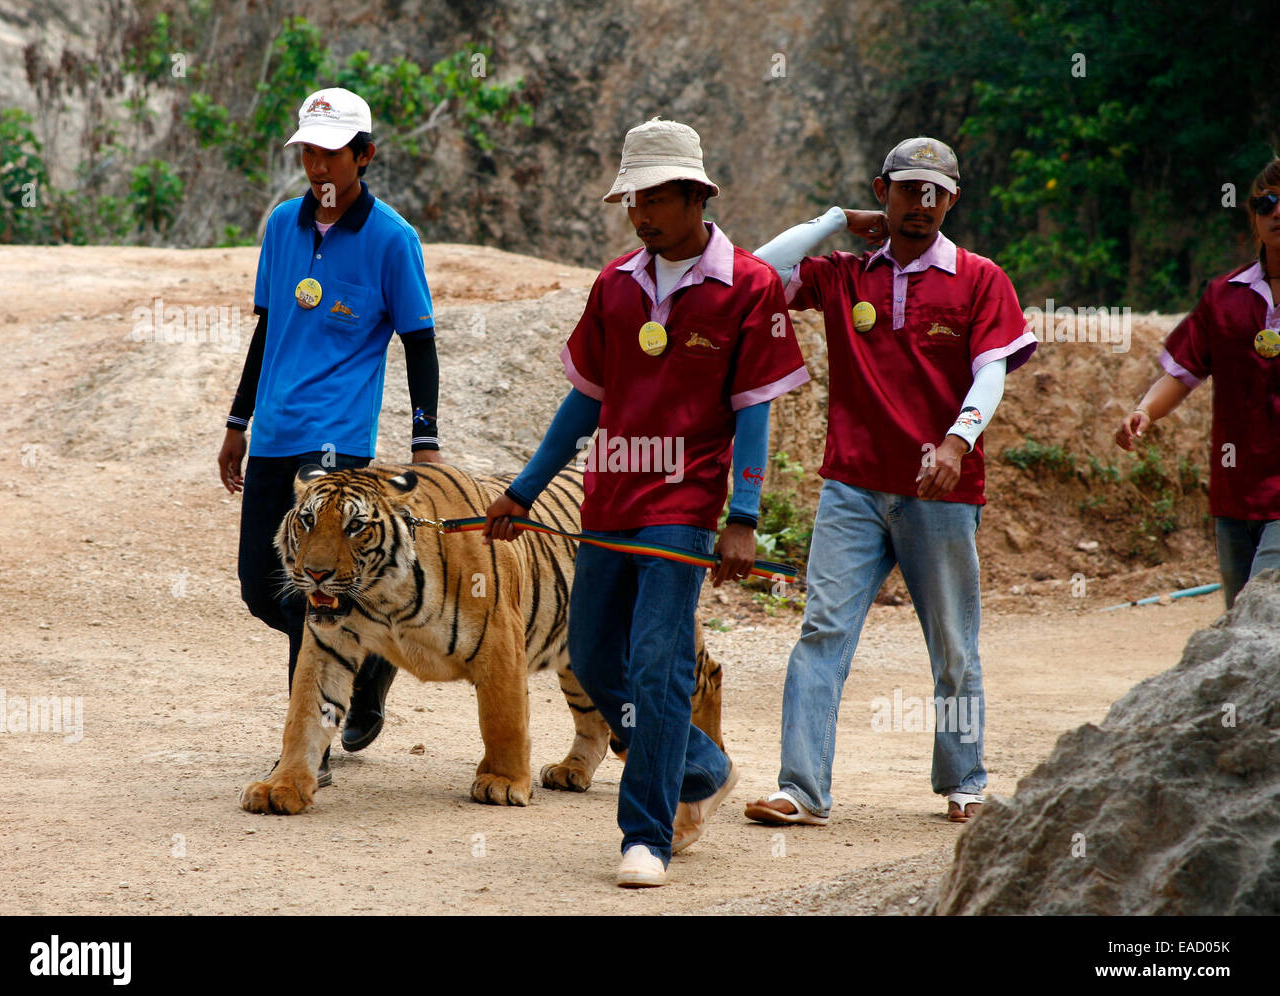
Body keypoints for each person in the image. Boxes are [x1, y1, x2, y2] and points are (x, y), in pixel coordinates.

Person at [482, 117, 823, 887]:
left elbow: (754, 407)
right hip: (608, 495)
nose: (639, 213)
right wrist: (523, 491)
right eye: (631, 198)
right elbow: (584, 404)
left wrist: (743, 515)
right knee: (596, 654)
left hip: (686, 499)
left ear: (695, 195)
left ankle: (646, 833)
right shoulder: (614, 284)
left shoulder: (749, 285)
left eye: (654, 198)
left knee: (657, 656)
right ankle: (697, 764)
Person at [743, 137, 1037, 827]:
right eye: (909, 189)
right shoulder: (844, 275)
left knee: (954, 644)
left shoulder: (979, 277)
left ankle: (964, 779)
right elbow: (755, 272)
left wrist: (958, 440)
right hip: (851, 483)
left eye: (937, 192)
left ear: (954, 199)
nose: (923, 204)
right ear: (883, 192)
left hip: (941, 489)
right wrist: (833, 220)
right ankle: (803, 788)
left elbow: (990, 369)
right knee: (822, 631)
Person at [217, 87, 441, 785]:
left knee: (310, 590)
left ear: (363, 156)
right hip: (275, 433)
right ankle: (369, 658)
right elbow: (267, 330)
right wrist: (237, 422)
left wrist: (425, 440)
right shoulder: (282, 226)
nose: (317, 164)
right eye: (308, 151)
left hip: (336, 444)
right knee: (263, 586)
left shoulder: (392, 240)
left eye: (331, 152)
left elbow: (421, 341)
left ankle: (306, 748)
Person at [1116, 158, 1280, 609]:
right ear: (1253, 215)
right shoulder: (1223, 296)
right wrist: (1145, 411)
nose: (1277, 211)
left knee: (1265, 615)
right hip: (1234, 495)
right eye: (1267, 202)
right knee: (1240, 631)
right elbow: (1183, 372)